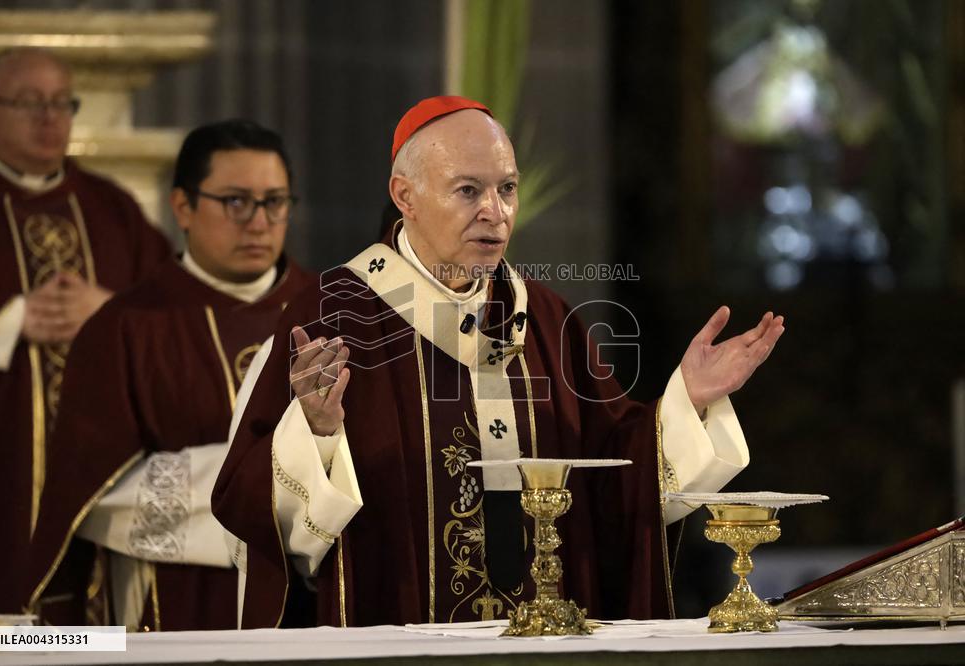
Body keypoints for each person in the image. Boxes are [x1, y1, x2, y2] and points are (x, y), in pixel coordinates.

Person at [213, 96, 785, 628]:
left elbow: (615, 474)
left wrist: (688, 399)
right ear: (404, 195)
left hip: (542, 642)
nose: (495, 211)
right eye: (468, 190)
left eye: (507, 189)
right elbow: (249, 508)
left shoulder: (545, 318)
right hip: (399, 641)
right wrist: (314, 432)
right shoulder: (333, 316)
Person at [25, 120, 316, 631]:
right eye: (236, 201)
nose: (259, 222)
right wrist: (269, 486)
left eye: (275, 201)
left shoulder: (331, 312)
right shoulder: (124, 326)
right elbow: (92, 496)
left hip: (307, 604)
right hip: (173, 606)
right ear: (182, 207)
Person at [0, 47, 170, 614]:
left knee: (86, 626)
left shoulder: (111, 208)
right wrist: (6, 318)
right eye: (31, 103)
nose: (51, 118)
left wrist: (109, 312)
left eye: (62, 103)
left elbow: (174, 309)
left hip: (102, 468)